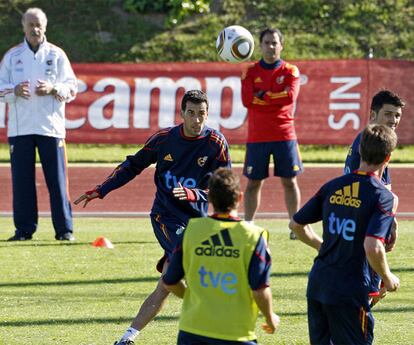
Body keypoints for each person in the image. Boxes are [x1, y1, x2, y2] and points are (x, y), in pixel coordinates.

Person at [74, 90, 231, 344]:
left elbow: (225, 187)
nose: (196, 119)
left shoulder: (216, 143)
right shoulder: (164, 139)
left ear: (207, 114)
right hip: (165, 217)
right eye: (191, 113)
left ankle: (127, 337)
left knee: (167, 284)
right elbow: (132, 165)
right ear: (181, 114)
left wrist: (195, 194)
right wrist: (101, 190)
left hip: (197, 222)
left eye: (201, 114)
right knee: (193, 264)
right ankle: (215, 324)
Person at [289, 124, 400, 345]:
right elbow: (373, 246)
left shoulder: (332, 186)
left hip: (319, 282)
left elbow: (296, 225)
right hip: (350, 289)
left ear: (359, 151)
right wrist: (388, 277)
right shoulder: (383, 196)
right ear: (388, 157)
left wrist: (324, 247)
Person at [163, 167, 279, 344]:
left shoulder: (192, 230)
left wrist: (191, 297)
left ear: (209, 198)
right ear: (240, 197)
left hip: (192, 331)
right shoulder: (254, 236)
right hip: (236, 334)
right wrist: (270, 318)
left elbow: (169, 281)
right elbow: (260, 289)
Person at [0, 8, 78, 241]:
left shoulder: (56, 54)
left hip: (50, 127)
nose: (35, 29)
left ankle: (64, 230)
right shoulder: (13, 57)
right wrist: (13, 90)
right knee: (22, 182)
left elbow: (72, 87)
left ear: (45, 27)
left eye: (39, 25)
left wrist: (54, 89)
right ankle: (24, 230)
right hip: (20, 128)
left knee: (57, 181)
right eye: (31, 24)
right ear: (23, 26)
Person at [344, 90, 405, 304]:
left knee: (373, 292)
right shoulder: (366, 143)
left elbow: (383, 187)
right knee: (367, 296)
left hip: (370, 226)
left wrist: (391, 220)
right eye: (388, 114)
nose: (394, 120)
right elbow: (359, 186)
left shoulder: (379, 141)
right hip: (364, 227)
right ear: (373, 114)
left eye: (397, 115)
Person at [241, 28, 302, 240]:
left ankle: (295, 225)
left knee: (289, 181)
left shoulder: (291, 71)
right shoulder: (249, 71)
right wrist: (274, 98)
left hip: (284, 134)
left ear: (281, 45)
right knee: (253, 182)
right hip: (258, 136)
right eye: (267, 42)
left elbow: (289, 96)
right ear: (260, 45)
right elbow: (247, 100)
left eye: (274, 42)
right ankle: (248, 224)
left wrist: (264, 96)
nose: (271, 46)